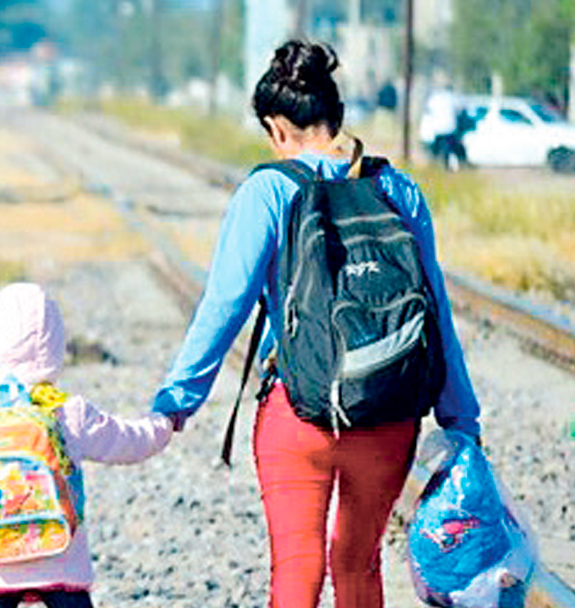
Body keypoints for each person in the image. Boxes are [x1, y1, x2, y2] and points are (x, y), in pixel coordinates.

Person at [150, 40, 482, 608]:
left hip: (298, 414)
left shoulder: (268, 191)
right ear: (337, 116)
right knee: (358, 566)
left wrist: (178, 400)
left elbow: (225, 305)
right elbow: (436, 313)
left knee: (297, 571)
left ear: (277, 128)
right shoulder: (399, 190)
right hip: (389, 414)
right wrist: (460, 419)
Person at [0, 282, 174, 608]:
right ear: (55, 347)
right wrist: (164, 423)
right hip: (61, 559)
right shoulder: (68, 411)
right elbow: (129, 441)